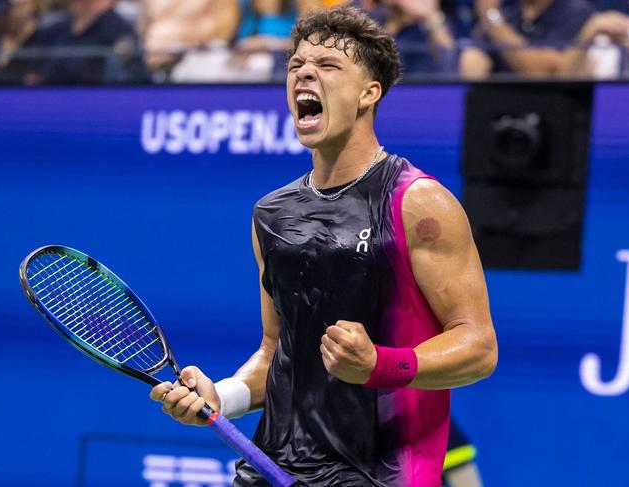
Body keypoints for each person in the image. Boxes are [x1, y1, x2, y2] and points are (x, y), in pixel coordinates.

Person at [151, 6, 497, 486]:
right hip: (274, 469)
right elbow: (277, 353)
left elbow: (479, 348)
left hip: (380, 474)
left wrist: (381, 364)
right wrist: (221, 396)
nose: (304, 73)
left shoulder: (417, 203)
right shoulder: (271, 215)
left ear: (368, 93)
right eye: (296, 66)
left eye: (328, 66)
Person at [460, 0, 596, 78]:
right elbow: (478, 54)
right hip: (501, 105)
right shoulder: (509, 10)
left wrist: (492, 18)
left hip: (552, 107)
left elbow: (549, 72)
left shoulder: (575, 11)